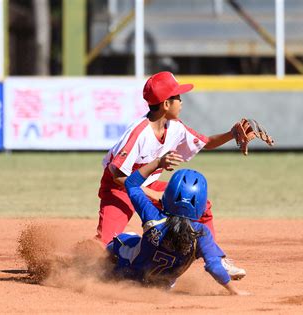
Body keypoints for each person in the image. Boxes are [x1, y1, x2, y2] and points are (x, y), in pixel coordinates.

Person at [96, 71, 248, 279]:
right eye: (178, 98)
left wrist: (232, 134)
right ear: (166, 104)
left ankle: (216, 258)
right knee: (103, 247)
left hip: (147, 185)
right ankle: (72, 267)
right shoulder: (138, 133)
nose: (182, 102)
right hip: (119, 189)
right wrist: (149, 193)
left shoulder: (175, 127)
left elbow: (207, 142)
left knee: (201, 205)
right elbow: (116, 174)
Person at [106, 152, 249, 295]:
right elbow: (214, 266)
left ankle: (101, 270)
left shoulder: (153, 217)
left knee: (126, 238)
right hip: (160, 288)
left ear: (168, 195)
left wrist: (158, 162)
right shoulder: (201, 233)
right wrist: (234, 291)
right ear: (201, 204)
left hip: (126, 273)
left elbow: (131, 183)